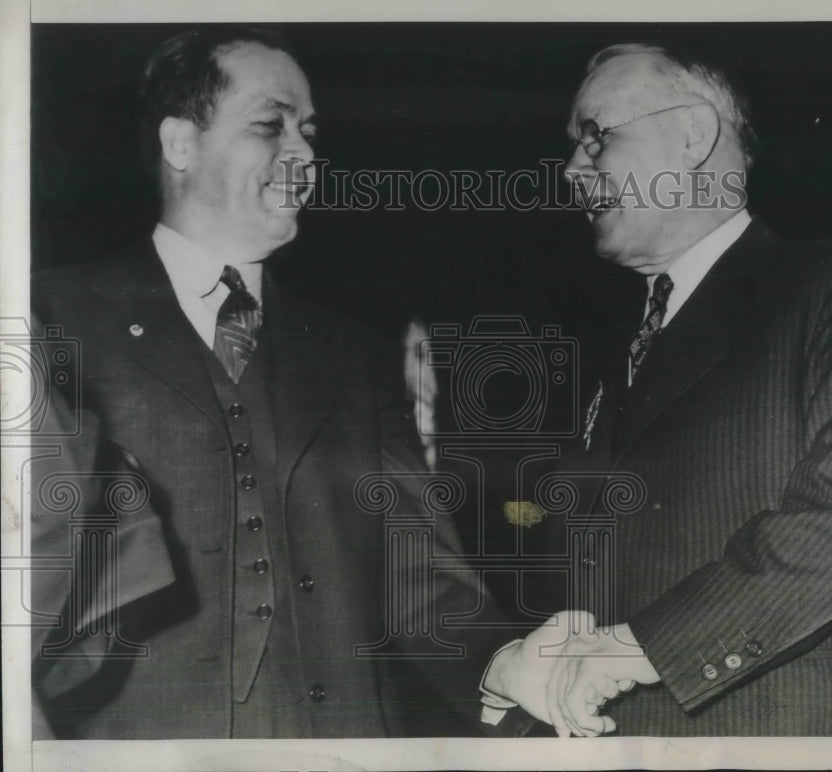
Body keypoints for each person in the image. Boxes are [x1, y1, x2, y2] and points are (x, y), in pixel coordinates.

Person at [30, 25, 576, 739]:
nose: (305, 152)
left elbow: (421, 579)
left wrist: (505, 663)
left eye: (309, 130)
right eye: (270, 124)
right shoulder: (49, 317)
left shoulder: (354, 354)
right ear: (180, 143)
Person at [490, 42, 832, 737]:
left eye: (596, 137)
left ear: (693, 134)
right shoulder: (609, 351)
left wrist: (646, 646)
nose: (571, 171)